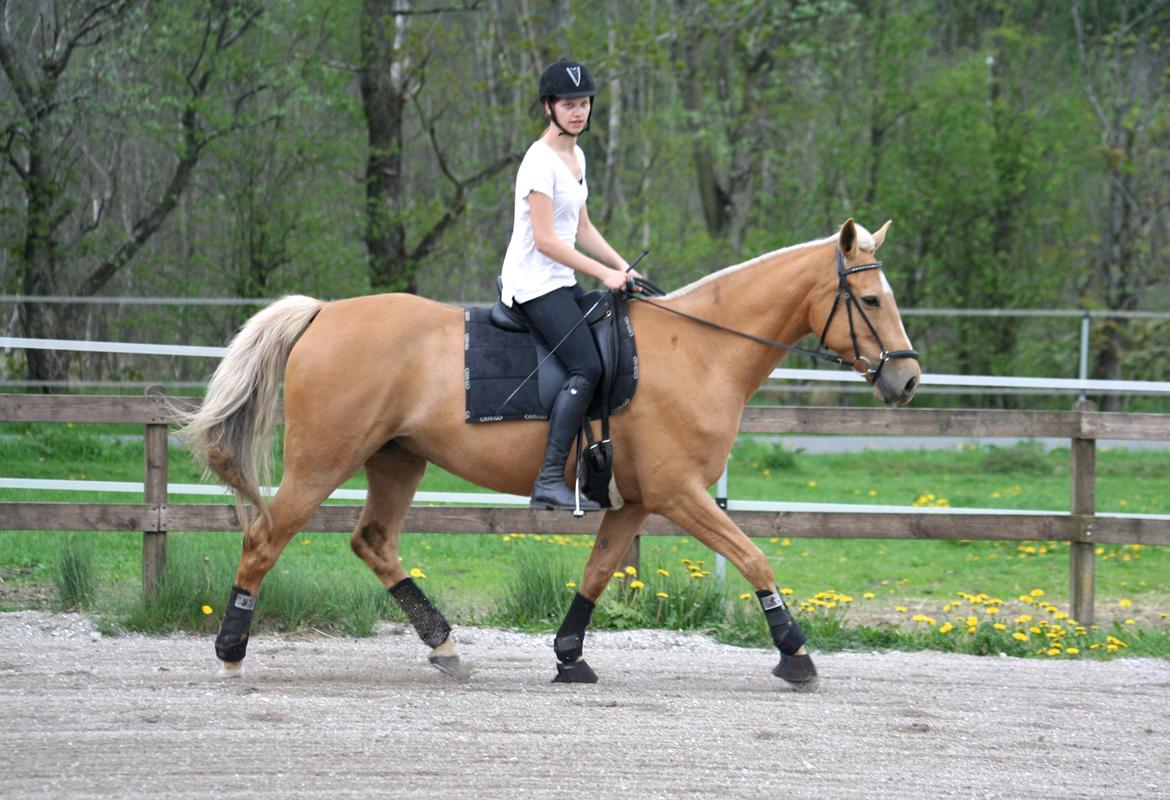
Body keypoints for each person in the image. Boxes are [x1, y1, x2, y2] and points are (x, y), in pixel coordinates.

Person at [499, 58, 641, 512]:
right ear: (549, 107)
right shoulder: (538, 162)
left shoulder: (576, 156)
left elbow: (581, 228)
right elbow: (544, 239)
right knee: (588, 367)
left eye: (583, 103)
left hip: (560, 279)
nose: (578, 112)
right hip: (533, 283)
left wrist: (623, 266)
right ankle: (547, 479)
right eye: (568, 104)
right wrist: (602, 275)